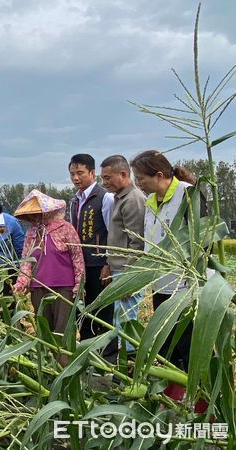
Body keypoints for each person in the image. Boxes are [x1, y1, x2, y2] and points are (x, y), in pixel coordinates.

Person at [130, 150, 204, 405]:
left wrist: (193, 273)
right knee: (166, 341)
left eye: (140, 178)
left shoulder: (188, 194)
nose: (138, 183)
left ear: (159, 175)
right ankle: (173, 396)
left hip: (186, 286)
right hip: (161, 285)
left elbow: (203, 239)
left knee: (188, 342)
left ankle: (200, 397)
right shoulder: (152, 201)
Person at [13, 190, 84, 339]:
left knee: (62, 331)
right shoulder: (32, 232)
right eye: (32, 214)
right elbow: (26, 260)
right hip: (38, 287)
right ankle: (49, 361)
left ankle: (65, 361)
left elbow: (77, 257)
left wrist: (79, 283)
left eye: (39, 213)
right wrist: (21, 282)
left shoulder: (65, 228)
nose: (35, 217)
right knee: (44, 331)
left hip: (64, 287)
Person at [68, 154, 117, 362]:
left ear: (91, 173)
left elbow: (112, 231)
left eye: (80, 173)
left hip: (100, 265)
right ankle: (88, 354)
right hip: (82, 266)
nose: (75, 178)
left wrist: (108, 262)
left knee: (104, 311)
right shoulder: (74, 201)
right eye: (72, 174)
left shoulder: (105, 197)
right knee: (86, 311)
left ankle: (108, 357)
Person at [99, 155, 146, 353]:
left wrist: (131, 279)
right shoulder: (120, 198)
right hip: (118, 269)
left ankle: (129, 366)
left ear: (123, 174)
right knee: (120, 321)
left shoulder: (133, 200)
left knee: (127, 322)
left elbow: (138, 243)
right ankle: (124, 366)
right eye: (103, 178)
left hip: (128, 272)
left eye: (108, 178)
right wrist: (108, 263)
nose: (104, 183)